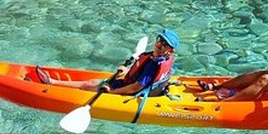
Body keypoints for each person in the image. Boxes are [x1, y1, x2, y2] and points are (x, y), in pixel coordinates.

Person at [34, 28, 179, 95]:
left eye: (165, 44)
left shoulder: (153, 66)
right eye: (160, 40)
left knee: (87, 86)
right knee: (91, 82)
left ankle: (51, 84)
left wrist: (113, 91)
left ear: (170, 50)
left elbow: (135, 87)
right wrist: (127, 71)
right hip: (128, 83)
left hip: (127, 90)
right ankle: (53, 82)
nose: (160, 44)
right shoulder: (162, 59)